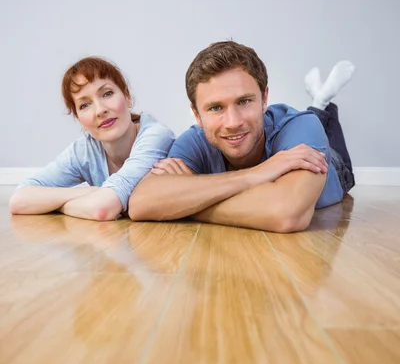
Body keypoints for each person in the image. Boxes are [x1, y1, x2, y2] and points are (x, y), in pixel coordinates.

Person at [128, 41, 355, 233]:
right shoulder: (194, 140)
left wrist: (183, 204)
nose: (233, 122)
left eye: (244, 101)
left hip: (336, 168)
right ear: (196, 115)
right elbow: (141, 203)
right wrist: (258, 174)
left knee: (317, 119)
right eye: (216, 108)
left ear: (264, 98)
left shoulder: (301, 126)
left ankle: (321, 105)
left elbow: (286, 214)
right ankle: (319, 101)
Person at [9, 57, 174, 221]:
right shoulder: (85, 150)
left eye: (107, 93)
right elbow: (19, 200)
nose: (100, 110)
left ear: (127, 97)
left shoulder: (156, 136)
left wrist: (59, 204)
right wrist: (85, 193)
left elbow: (102, 209)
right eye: (85, 105)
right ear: (79, 119)